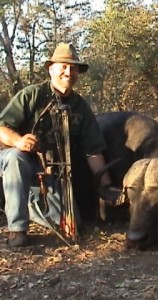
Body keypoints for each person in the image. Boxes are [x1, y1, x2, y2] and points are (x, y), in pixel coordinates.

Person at [0, 43, 117, 247]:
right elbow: (2, 127)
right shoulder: (32, 95)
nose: (68, 72)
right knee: (15, 157)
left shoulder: (80, 107)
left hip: (51, 171)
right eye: (63, 66)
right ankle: (17, 229)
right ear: (51, 68)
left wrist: (107, 187)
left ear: (78, 73)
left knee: (72, 225)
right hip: (18, 164)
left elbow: (93, 151)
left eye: (73, 68)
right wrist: (18, 141)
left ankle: (28, 203)